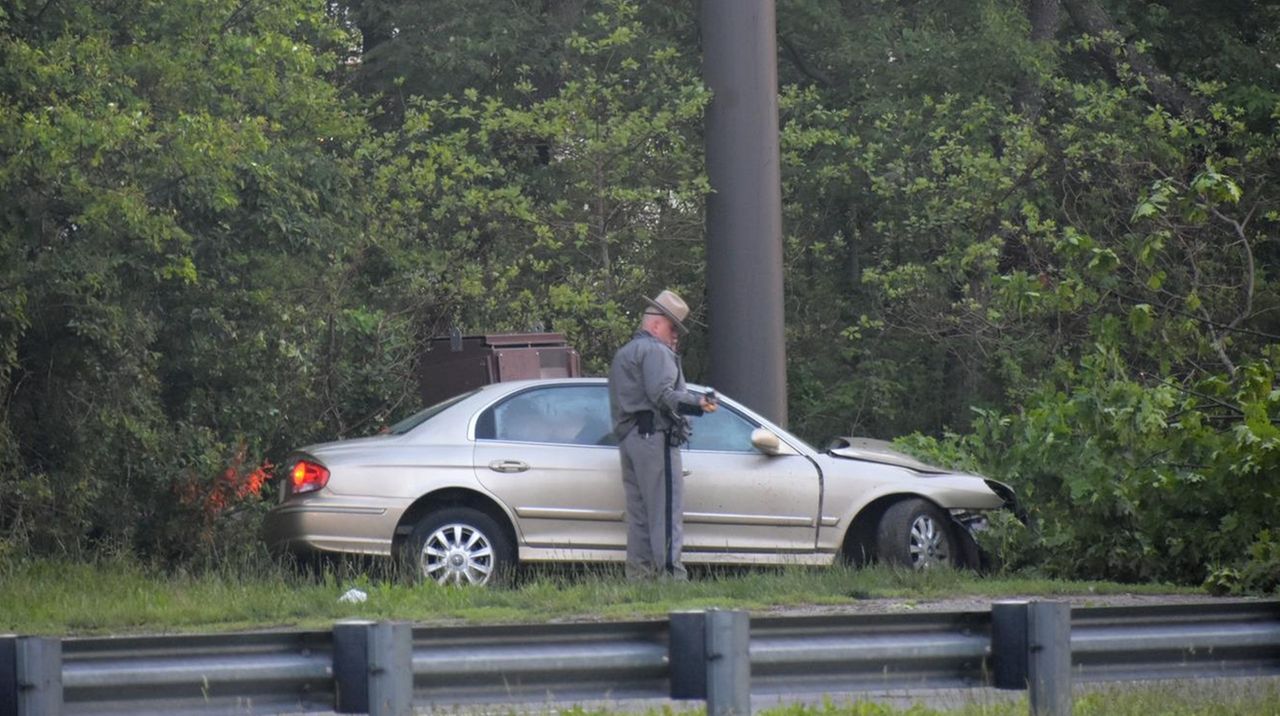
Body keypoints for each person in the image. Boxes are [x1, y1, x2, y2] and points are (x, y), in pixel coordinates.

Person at [608, 290, 717, 580]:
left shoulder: (624, 354)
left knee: (640, 517)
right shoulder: (656, 351)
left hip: (631, 439)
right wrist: (699, 403)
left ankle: (640, 579)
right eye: (673, 328)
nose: (676, 337)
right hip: (655, 439)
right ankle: (672, 577)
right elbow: (663, 395)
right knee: (665, 512)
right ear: (656, 325)